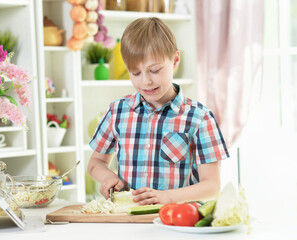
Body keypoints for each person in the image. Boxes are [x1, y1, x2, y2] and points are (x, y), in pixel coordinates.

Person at [87, 17, 229, 205]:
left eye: (154, 70)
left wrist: (167, 197)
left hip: (179, 222)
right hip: (129, 221)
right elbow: (96, 163)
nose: (146, 81)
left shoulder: (199, 118)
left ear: (175, 60)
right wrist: (107, 178)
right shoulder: (117, 112)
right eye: (135, 73)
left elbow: (212, 186)